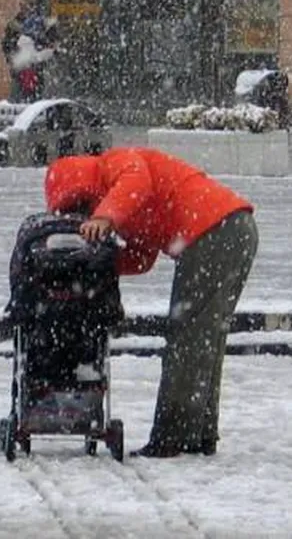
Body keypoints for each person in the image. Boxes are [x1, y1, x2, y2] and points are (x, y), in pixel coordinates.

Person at [43, 148, 258, 458]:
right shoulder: (123, 201)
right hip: (228, 229)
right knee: (203, 338)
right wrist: (95, 266)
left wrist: (105, 216)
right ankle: (199, 435)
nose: (85, 211)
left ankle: (174, 438)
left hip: (216, 229)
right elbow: (143, 257)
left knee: (188, 338)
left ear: (80, 183)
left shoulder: (115, 164)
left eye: (81, 204)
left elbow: (136, 180)